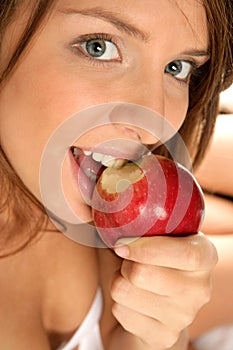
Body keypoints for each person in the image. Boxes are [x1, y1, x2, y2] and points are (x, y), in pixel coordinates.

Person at [0, 1, 231, 350]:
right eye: (99, 46)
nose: (155, 122)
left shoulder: (78, 194)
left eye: (177, 67)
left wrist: (150, 336)